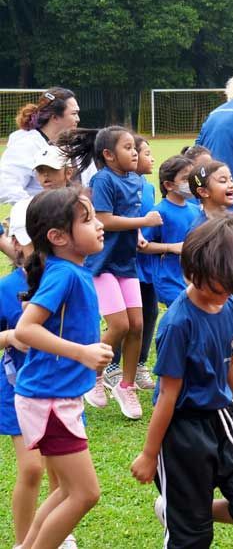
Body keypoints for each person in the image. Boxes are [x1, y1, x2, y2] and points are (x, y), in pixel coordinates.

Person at [129, 216, 233, 547]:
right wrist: (150, 454)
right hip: (183, 431)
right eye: (219, 285)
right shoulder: (178, 324)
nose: (225, 293)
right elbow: (167, 394)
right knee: (191, 538)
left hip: (224, 420)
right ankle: (184, 514)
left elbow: (232, 363)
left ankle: (185, 510)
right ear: (193, 271)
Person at [13, 187, 112, 549]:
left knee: (69, 490)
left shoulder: (72, 270)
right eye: (87, 220)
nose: (99, 225)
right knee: (85, 494)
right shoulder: (64, 275)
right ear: (57, 237)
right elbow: (26, 329)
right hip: (49, 400)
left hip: (55, 397)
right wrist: (82, 353)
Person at [60, 126, 162, 420]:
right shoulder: (103, 179)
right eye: (128, 147)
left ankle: (126, 386)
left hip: (125, 262)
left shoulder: (134, 180)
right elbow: (104, 219)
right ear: (108, 155)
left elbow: (127, 216)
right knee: (118, 325)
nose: (135, 152)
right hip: (102, 264)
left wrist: (139, 232)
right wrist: (142, 220)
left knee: (137, 326)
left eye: (135, 147)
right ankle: (92, 376)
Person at [0, 197, 59, 548]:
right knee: (33, 468)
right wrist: (11, 336)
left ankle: (56, 530)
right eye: (28, 241)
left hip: (57, 386)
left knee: (60, 469)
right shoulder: (6, 289)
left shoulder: (64, 278)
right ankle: (24, 542)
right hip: (16, 387)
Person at [140, 155, 200, 310]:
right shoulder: (159, 212)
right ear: (169, 185)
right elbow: (142, 246)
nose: (191, 184)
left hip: (194, 279)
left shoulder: (195, 210)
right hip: (169, 280)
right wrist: (170, 247)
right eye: (186, 179)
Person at [0, 88, 80, 204]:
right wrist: (36, 209)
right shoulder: (26, 145)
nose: (78, 119)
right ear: (55, 117)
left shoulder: (71, 144)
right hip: (42, 219)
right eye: (74, 114)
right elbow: (5, 186)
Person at [126, 136, 158, 391]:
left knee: (150, 312)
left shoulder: (148, 186)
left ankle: (140, 364)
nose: (151, 158)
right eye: (146, 152)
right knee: (128, 319)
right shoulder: (124, 185)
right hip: (129, 261)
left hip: (148, 262)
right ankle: (115, 364)